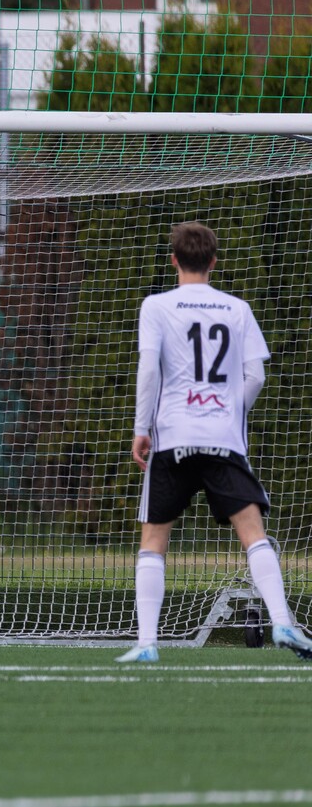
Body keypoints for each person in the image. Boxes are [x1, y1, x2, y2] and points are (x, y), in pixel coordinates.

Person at [119, 221, 312, 663]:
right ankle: (282, 620)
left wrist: (141, 428)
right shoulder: (237, 309)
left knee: (154, 539)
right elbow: (255, 375)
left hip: (173, 436)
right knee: (253, 534)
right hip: (222, 438)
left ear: (173, 260)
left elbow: (149, 369)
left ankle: (147, 644)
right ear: (213, 261)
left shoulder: (156, 305)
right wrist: (228, 412)